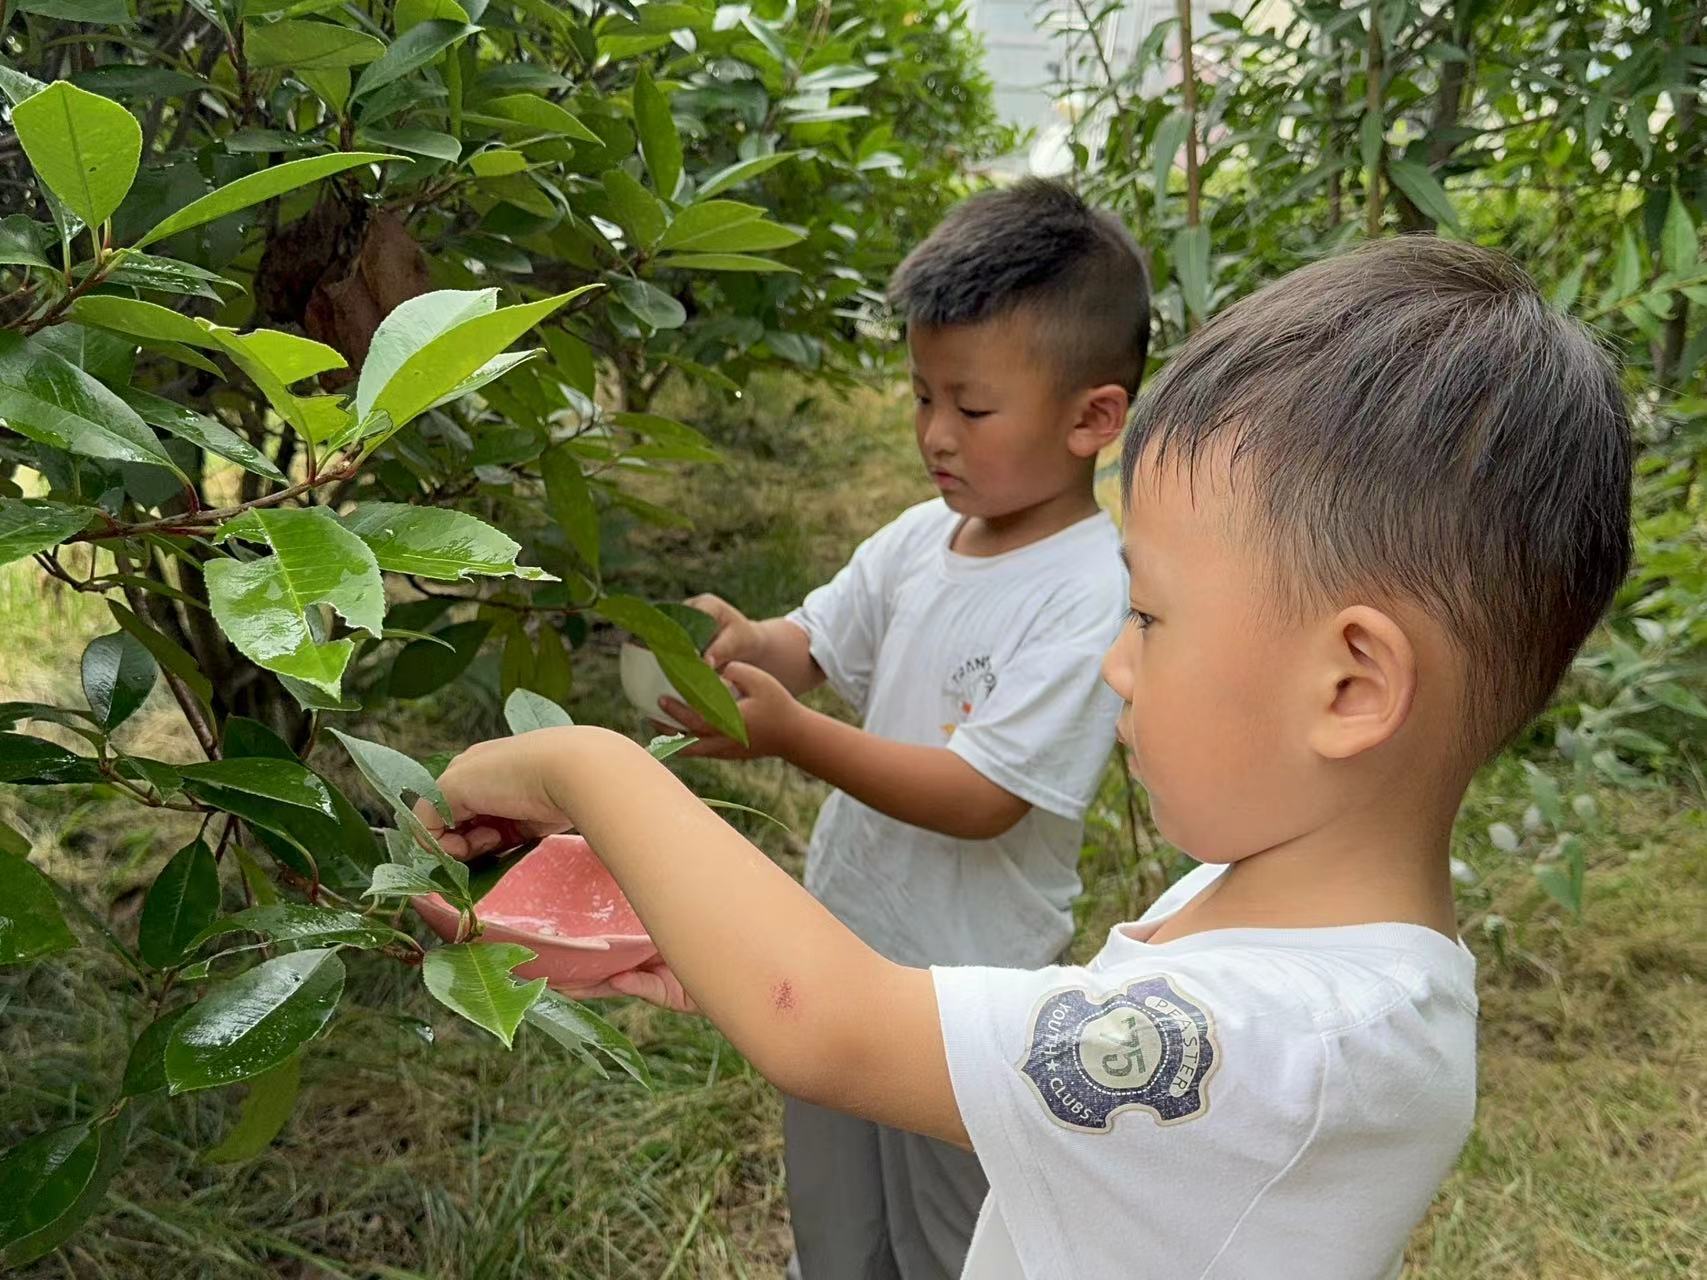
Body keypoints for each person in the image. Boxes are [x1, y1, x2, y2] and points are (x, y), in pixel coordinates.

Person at [419, 236, 1633, 1278]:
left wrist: (589, 763)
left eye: (1147, 619)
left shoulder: (1293, 1045)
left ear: (1352, 684)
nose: (1116, 661)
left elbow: (833, 1022)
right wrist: (685, 929)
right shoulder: (1262, 905)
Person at [636, 179, 1148, 1278]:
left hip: (966, 997)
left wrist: (794, 738)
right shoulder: (926, 536)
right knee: (834, 1213)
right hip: (847, 948)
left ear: (1092, 417)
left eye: (970, 407)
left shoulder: (1087, 591)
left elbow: (983, 796)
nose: (933, 434)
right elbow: (816, 637)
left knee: (947, 1236)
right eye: (920, 395)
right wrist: (743, 645)